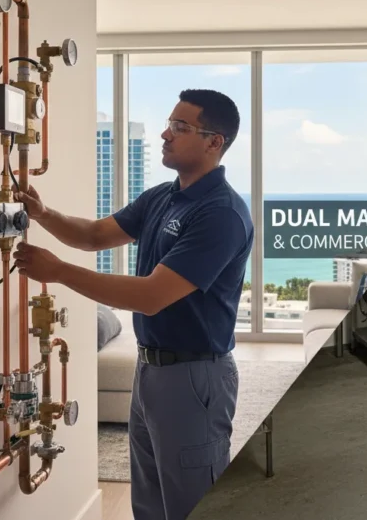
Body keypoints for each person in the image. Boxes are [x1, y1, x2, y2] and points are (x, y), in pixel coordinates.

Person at [13, 89, 254, 519]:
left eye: (180, 127)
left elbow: (151, 296)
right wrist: (43, 215)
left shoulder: (221, 213)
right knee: (149, 503)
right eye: (170, 123)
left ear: (214, 142)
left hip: (194, 375)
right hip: (151, 373)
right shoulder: (162, 196)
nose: (165, 134)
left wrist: (59, 272)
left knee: (191, 502)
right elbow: (93, 236)